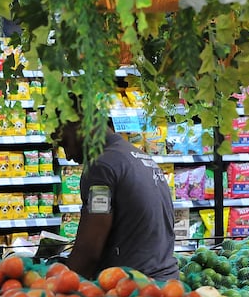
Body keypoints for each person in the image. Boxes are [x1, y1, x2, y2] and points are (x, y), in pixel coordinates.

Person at [56, 106, 179, 282]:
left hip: (134, 290)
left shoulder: (101, 167)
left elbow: (89, 251)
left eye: (65, 143)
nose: (68, 155)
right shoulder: (138, 156)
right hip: (166, 283)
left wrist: (56, 288)